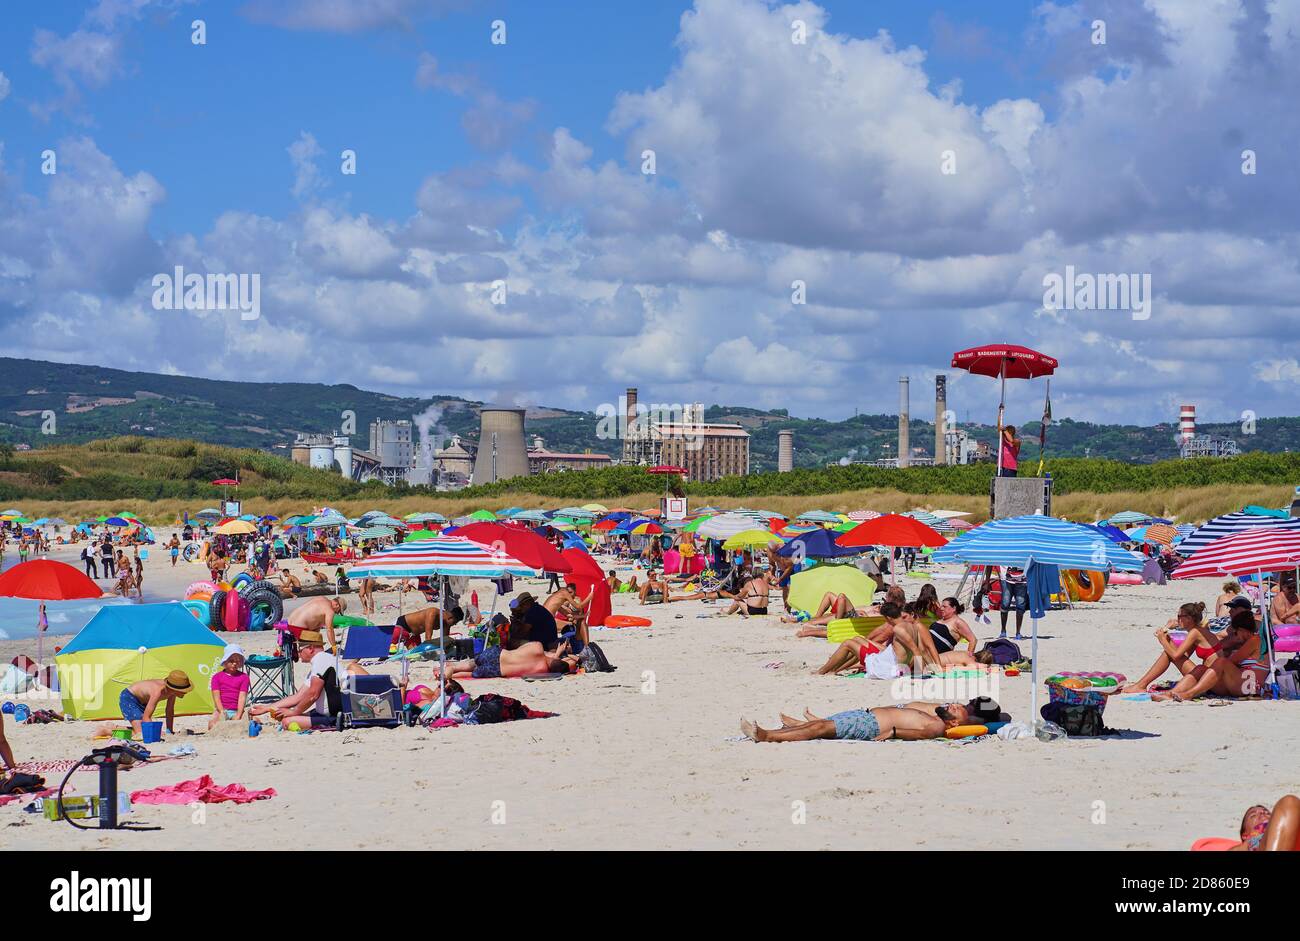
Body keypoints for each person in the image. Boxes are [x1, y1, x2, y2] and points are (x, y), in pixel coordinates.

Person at [250, 630, 366, 729]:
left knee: (288, 722)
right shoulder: (320, 662)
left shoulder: (321, 660)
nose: (298, 653)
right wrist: (267, 708)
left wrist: (294, 712)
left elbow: (312, 695)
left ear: (310, 648)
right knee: (287, 717)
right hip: (327, 712)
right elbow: (298, 696)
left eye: (299, 648)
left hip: (335, 716)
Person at [1121, 600, 1247, 692]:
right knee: (1168, 652)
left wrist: (1162, 639)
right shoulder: (1199, 631)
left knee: (1167, 652)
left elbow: (1176, 655)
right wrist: (1167, 635)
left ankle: (1141, 685)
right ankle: (1141, 684)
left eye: (1180, 616)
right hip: (1210, 678)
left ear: (1189, 618)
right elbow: (1182, 656)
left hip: (1211, 681)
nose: (1177, 619)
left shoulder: (1195, 632)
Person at [1151, 609, 1269, 701]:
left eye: (1235, 632)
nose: (1234, 635)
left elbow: (1232, 661)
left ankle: (1188, 694)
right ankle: (1172, 693)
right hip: (1237, 684)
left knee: (1222, 661)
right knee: (1201, 668)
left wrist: (1232, 644)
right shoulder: (1247, 642)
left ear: (1242, 630)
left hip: (1250, 686)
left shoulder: (1256, 640)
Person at [741, 702, 972, 743]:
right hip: (866, 717)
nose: (953, 705)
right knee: (821, 726)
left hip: (870, 725)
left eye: (956, 709)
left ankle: (767, 736)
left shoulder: (939, 726)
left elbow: (920, 735)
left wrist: (893, 731)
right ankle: (781, 731)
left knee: (821, 728)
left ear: (954, 724)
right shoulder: (936, 716)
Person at [433, 640, 579, 680]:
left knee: (472, 662)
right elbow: (553, 666)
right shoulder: (541, 670)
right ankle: (452, 671)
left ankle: (453, 666)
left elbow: (516, 647)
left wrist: (557, 653)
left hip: (498, 654)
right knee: (472, 672)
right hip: (497, 670)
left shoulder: (538, 647)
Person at [119, 670, 193, 737]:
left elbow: (169, 710)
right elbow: (146, 717)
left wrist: (169, 730)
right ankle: (111, 730)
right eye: (183, 690)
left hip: (142, 701)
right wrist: (157, 732)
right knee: (141, 733)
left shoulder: (172, 691)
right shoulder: (157, 691)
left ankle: (121, 729)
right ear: (174, 689)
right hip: (129, 698)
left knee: (144, 730)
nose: (186, 692)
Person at [1230, 796, 1300, 851]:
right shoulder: (1247, 844)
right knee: (1289, 802)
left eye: (1267, 813)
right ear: (1244, 836)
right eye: (1253, 815)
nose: (1262, 812)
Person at [208, 645, 250, 729]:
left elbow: (242, 697)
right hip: (222, 709)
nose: (234, 664)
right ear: (225, 661)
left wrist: (238, 714)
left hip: (237, 709)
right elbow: (217, 698)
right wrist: (222, 712)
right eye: (231, 661)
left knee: (252, 721)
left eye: (237, 661)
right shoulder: (216, 677)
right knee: (212, 725)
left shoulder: (244, 677)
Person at [391, 604, 464, 648]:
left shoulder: (447, 623)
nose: (454, 624)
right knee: (387, 646)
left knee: (416, 654)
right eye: (454, 622)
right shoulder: (433, 613)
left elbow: (445, 640)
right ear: (450, 617)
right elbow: (428, 639)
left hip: (414, 634)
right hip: (403, 625)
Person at [998, 566, 1029, 639]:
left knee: (1020, 605)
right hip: (1006, 578)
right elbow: (990, 561)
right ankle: (1003, 631)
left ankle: (1018, 633)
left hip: (1022, 578)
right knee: (1005, 604)